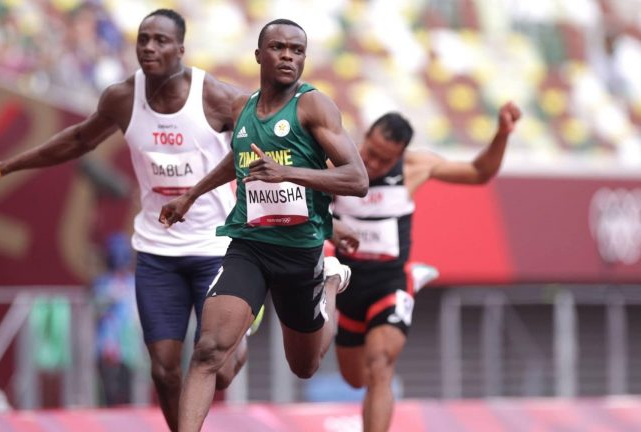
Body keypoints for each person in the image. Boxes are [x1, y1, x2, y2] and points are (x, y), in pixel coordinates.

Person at [0, 9, 251, 430]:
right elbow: (76, 140)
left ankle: (241, 341)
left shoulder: (217, 98)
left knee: (218, 366)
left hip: (215, 247)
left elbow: (255, 148)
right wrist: (3, 167)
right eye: (143, 39)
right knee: (163, 370)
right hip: (156, 251)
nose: (149, 48)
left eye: (161, 41)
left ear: (181, 49)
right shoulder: (122, 99)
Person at [159, 18, 368, 432]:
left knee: (304, 366)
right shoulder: (242, 108)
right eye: (278, 47)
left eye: (297, 50)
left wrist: (289, 174)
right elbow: (236, 160)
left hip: (300, 250)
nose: (288, 55)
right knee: (207, 351)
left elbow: (357, 179)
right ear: (259, 55)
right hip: (249, 245)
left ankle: (329, 281)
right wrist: (192, 193)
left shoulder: (313, 106)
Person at [331, 102, 521, 431]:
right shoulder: (335, 159)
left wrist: (502, 135)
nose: (372, 164)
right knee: (354, 378)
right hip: (347, 283)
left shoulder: (415, 166)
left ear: (400, 156)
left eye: (384, 159)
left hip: (389, 281)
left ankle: (410, 280)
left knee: (380, 366)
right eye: (370, 151)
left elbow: (479, 173)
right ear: (365, 137)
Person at [92, 232, 141, 406]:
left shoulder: (133, 282)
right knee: (109, 394)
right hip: (108, 346)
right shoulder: (102, 284)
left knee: (129, 393)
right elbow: (98, 311)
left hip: (130, 347)